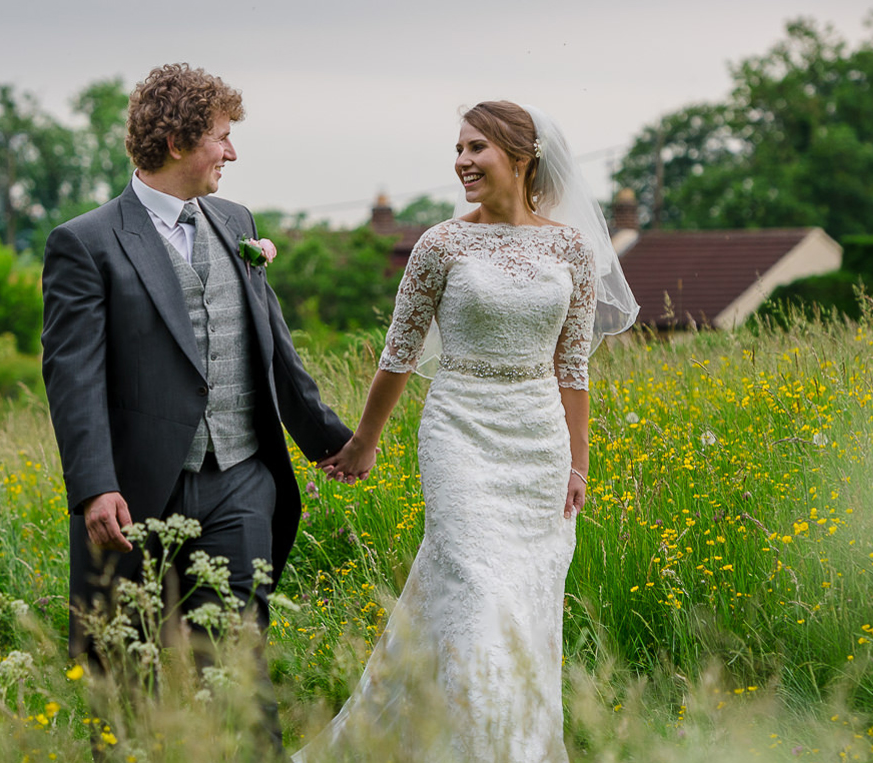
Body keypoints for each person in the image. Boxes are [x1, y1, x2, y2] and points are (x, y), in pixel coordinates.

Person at [298, 101, 638, 761]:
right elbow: (397, 354)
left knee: (523, 607)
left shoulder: (570, 248)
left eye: (476, 147)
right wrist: (364, 440)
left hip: (538, 443)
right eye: (458, 148)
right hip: (459, 428)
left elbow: (573, 367)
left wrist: (579, 463)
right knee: (478, 588)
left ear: (522, 156)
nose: (462, 161)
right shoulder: (441, 245)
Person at [40, 63, 358, 755]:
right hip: (132, 492)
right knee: (122, 676)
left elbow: (271, 343)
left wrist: (329, 438)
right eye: (222, 136)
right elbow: (73, 376)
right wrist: (94, 485)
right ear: (181, 140)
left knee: (235, 665)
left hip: (241, 478)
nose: (232, 152)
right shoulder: (85, 242)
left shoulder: (237, 223)